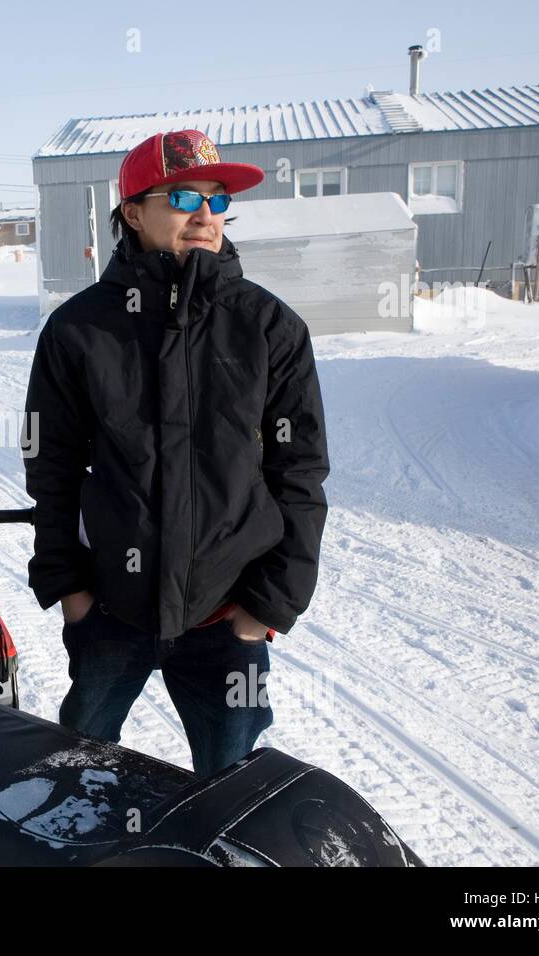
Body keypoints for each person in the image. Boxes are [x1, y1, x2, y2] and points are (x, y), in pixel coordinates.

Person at [21, 129, 330, 778]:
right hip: (112, 609)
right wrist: (70, 589)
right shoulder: (79, 329)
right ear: (133, 212)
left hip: (227, 613)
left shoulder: (269, 328)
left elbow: (299, 472)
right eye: (184, 195)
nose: (204, 214)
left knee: (232, 780)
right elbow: (51, 467)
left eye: (218, 201)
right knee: (81, 765)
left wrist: (269, 604)